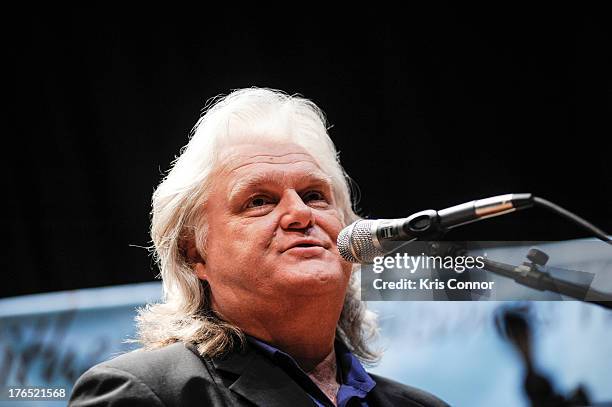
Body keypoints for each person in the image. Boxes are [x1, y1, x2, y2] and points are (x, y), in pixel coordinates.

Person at [69, 88, 448, 406]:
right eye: (258, 201)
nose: (299, 214)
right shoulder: (146, 394)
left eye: (315, 195)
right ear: (194, 253)